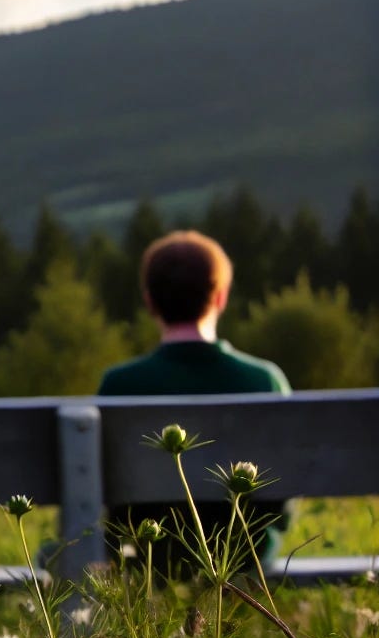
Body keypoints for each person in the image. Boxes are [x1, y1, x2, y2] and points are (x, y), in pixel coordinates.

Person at [97, 230, 291, 577]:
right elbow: (280, 505)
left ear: (150, 302)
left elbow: (111, 503)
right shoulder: (264, 380)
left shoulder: (119, 384)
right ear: (221, 297)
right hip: (246, 557)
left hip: (153, 555)